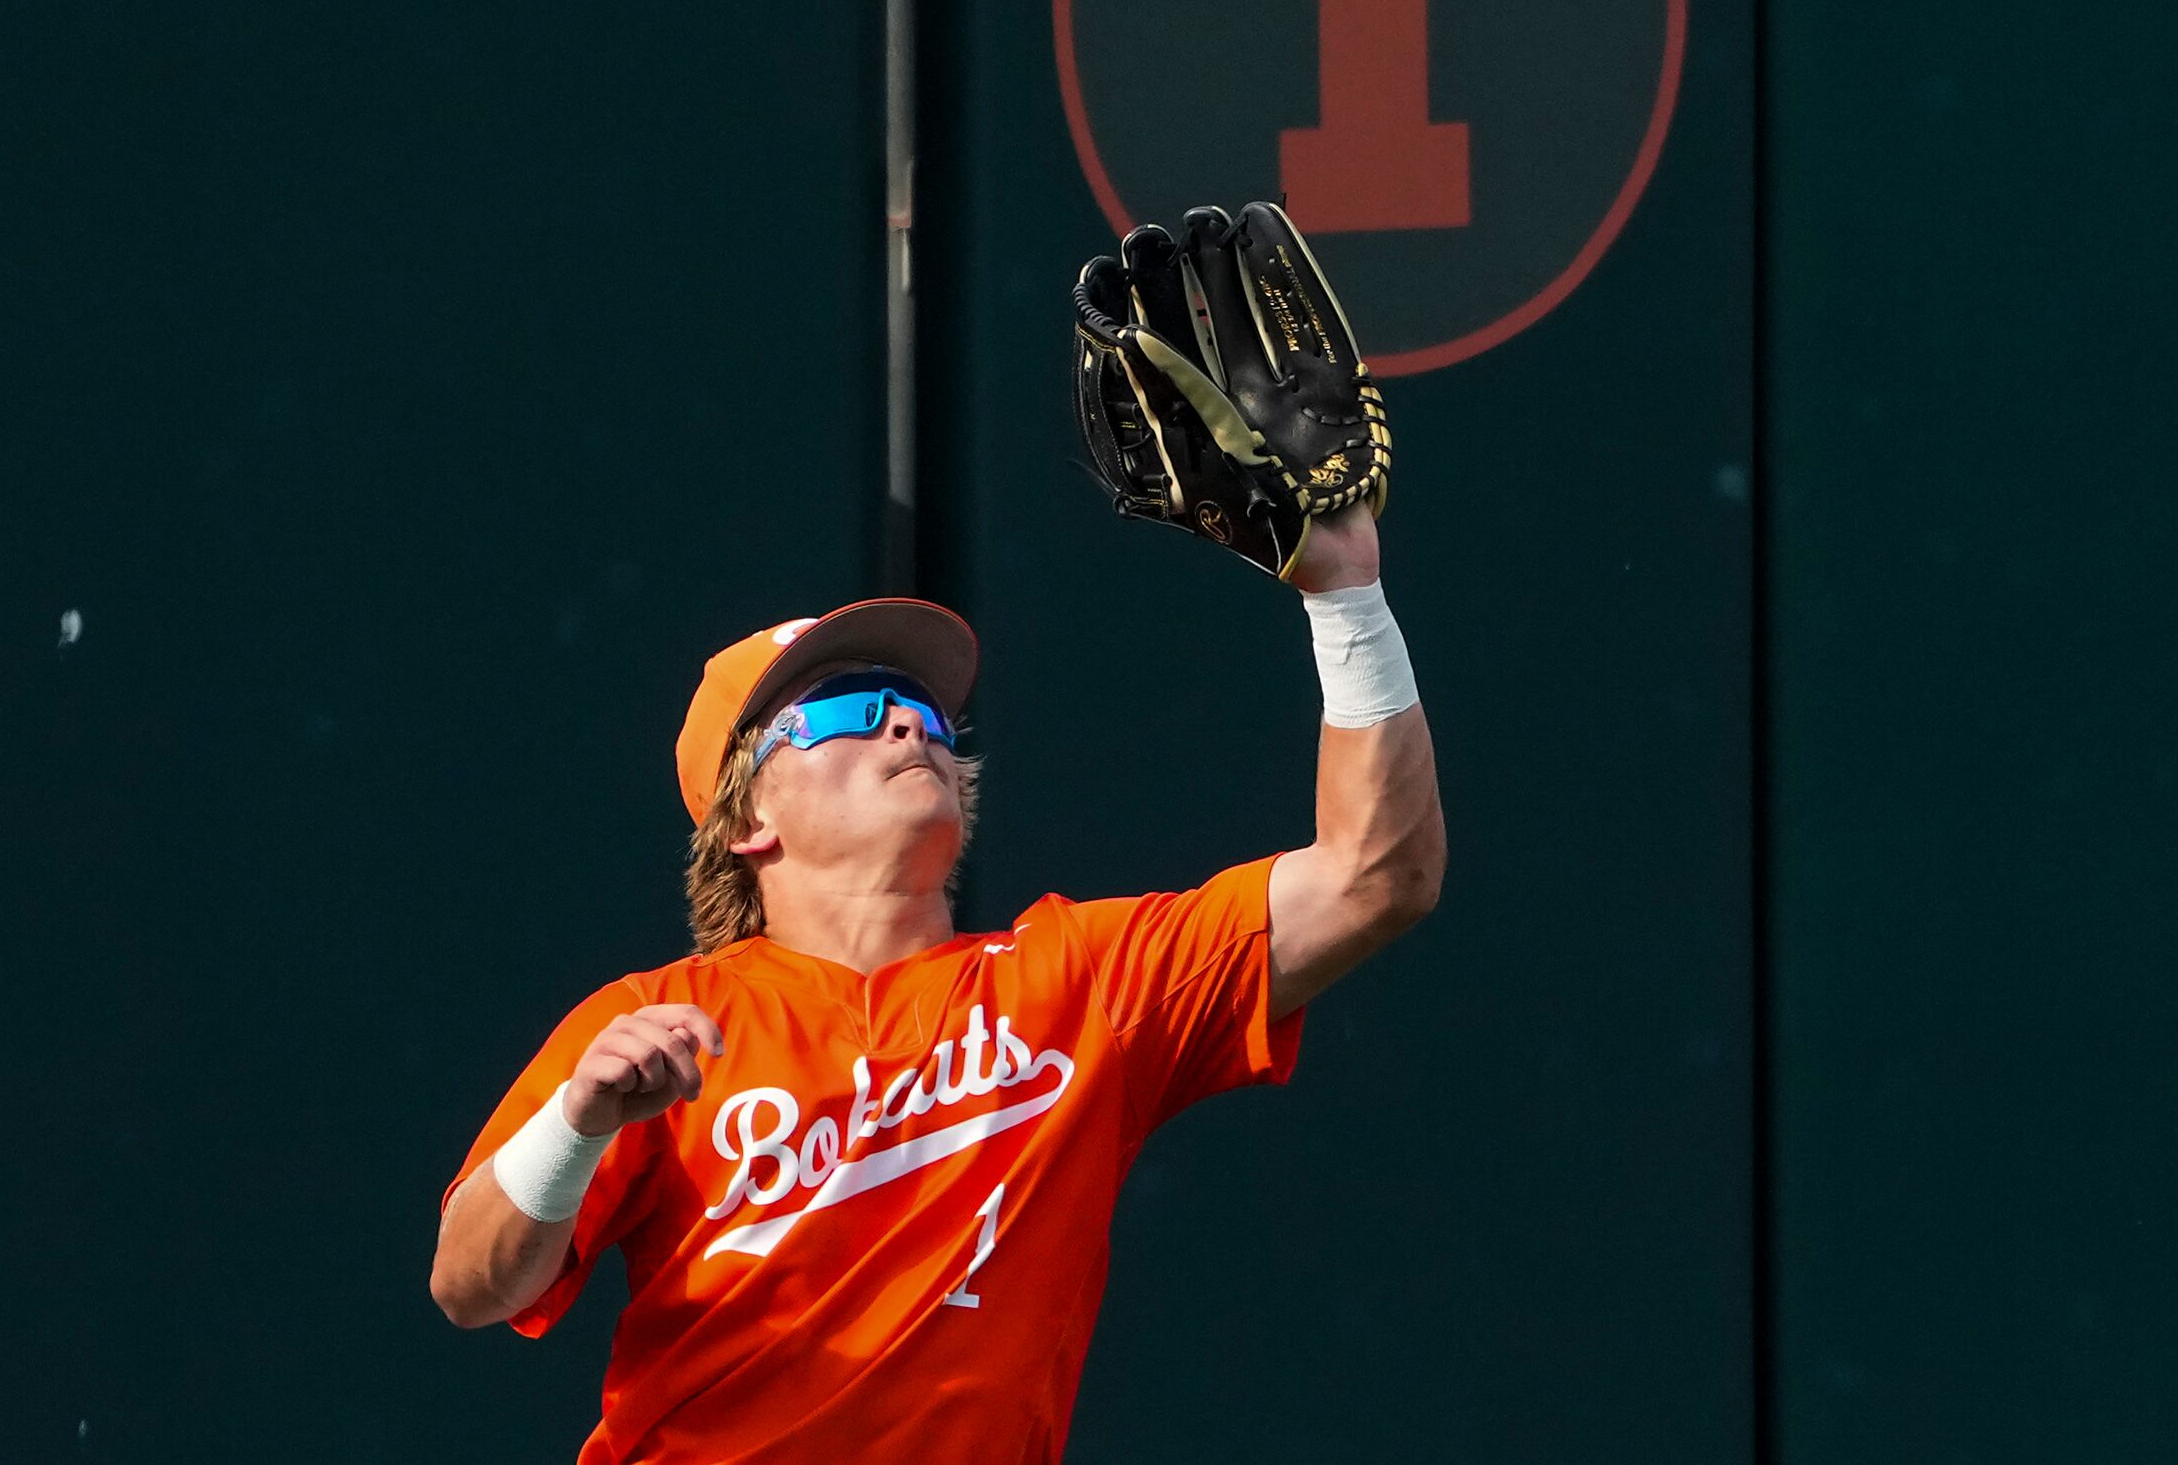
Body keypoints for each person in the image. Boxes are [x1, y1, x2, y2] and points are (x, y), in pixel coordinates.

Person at [429, 500, 1441, 1462]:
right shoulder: (657, 1021)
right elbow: (469, 1284)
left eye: (921, 709)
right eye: (846, 712)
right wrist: (576, 1125)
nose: (909, 726)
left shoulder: (1081, 980)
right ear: (746, 821)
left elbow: (1374, 874)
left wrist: (1345, 594)